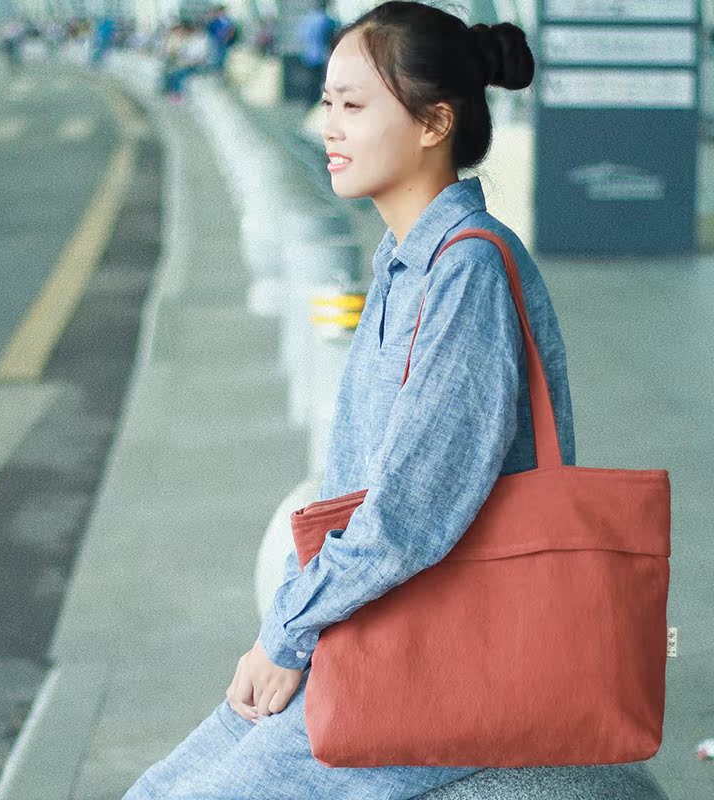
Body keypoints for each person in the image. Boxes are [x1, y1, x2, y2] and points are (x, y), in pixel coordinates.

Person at [122, 2, 576, 798]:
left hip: (438, 662)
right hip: (373, 629)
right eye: (328, 101)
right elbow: (359, 494)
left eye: (354, 105)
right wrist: (293, 630)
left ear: (435, 122)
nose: (328, 124)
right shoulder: (405, 262)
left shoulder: (465, 274)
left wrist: (287, 636)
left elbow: (409, 514)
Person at [297, 0, 339, 105]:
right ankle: (317, 102)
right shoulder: (327, 20)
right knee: (320, 81)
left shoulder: (308, 19)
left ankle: (308, 102)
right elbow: (332, 36)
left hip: (308, 55)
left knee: (310, 80)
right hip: (321, 56)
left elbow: (301, 36)